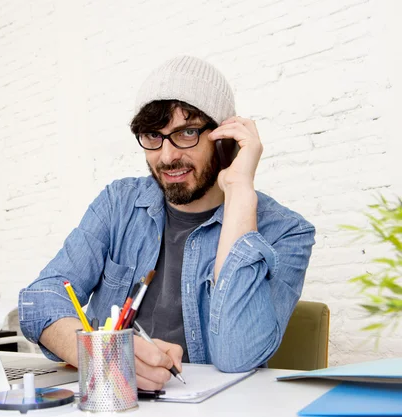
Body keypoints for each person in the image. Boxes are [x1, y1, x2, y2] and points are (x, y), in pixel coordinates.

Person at [18, 56, 316, 390]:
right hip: (112, 399)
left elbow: (238, 356)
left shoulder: (287, 232)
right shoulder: (119, 203)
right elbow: (39, 299)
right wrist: (105, 354)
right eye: (153, 136)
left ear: (223, 138)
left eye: (187, 132)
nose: (167, 156)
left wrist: (240, 191)